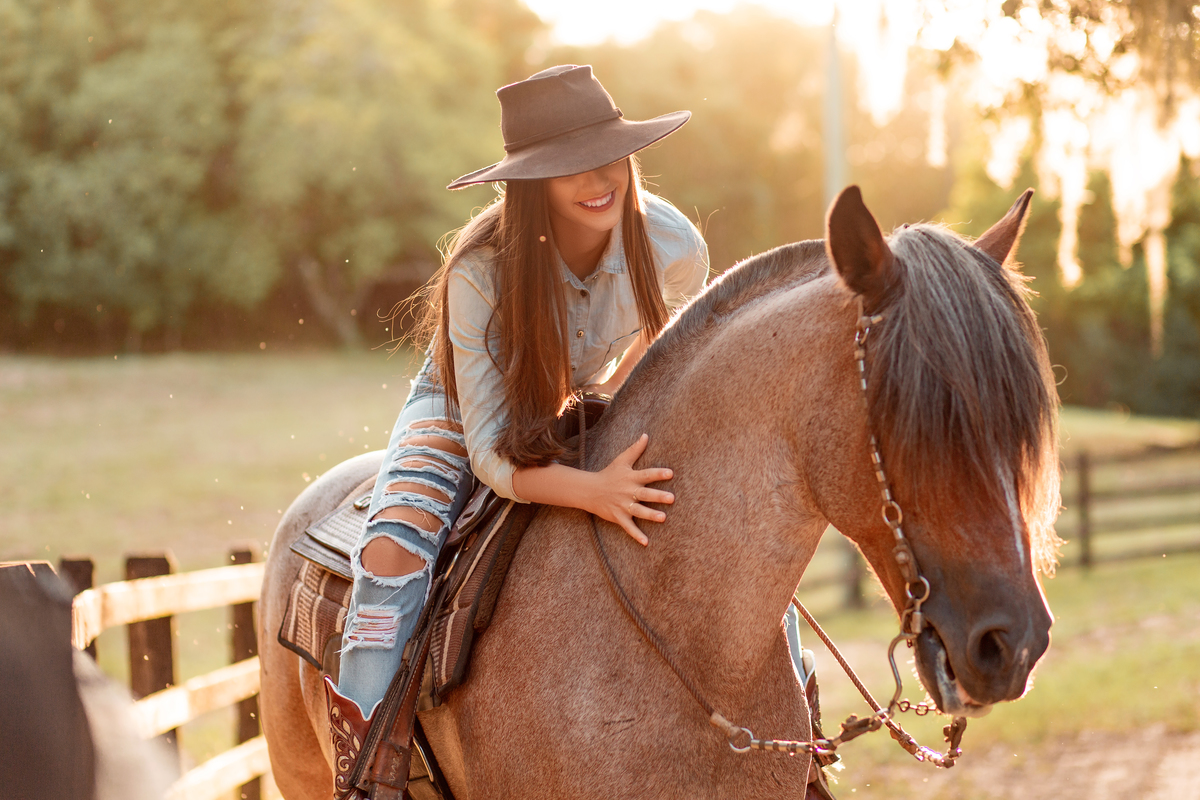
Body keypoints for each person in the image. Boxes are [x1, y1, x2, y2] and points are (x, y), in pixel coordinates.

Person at [323, 64, 710, 784]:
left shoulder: (674, 246)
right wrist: (592, 491)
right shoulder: (480, 273)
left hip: (592, 394)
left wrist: (612, 413)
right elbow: (494, 457)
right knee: (392, 557)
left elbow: (659, 352)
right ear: (532, 183)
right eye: (569, 168)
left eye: (608, 156)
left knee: (712, 519)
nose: (599, 179)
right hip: (465, 407)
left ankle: (795, 738)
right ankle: (367, 777)